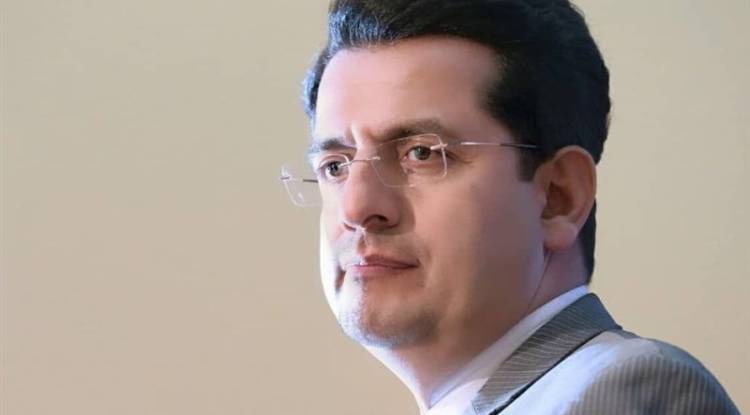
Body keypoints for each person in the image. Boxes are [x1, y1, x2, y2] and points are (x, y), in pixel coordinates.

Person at [280, 0, 740, 413]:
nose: (357, 206)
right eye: (335, 166)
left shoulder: (624, 389)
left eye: (422, 153)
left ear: (558, 197)